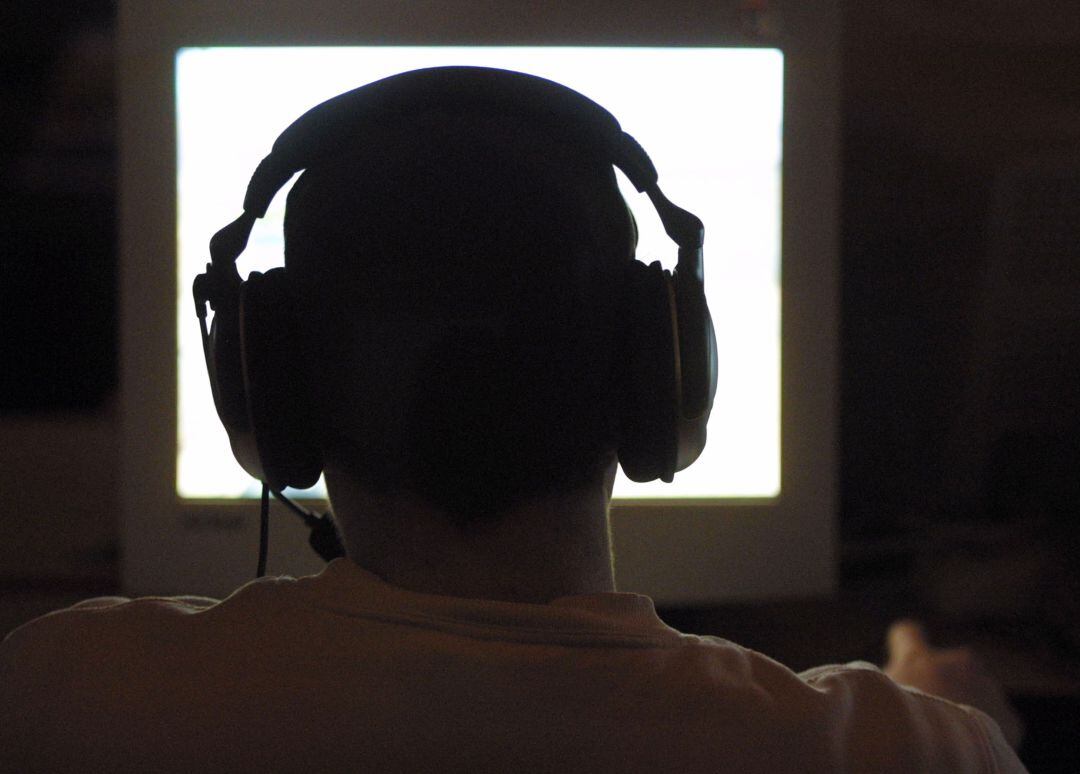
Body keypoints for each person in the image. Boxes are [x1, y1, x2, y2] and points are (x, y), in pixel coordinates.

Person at [1, 68, 1024, 772]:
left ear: (268, 394)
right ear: (662, 377)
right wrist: (934, 715)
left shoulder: (63, 694)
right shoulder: (911, 751)